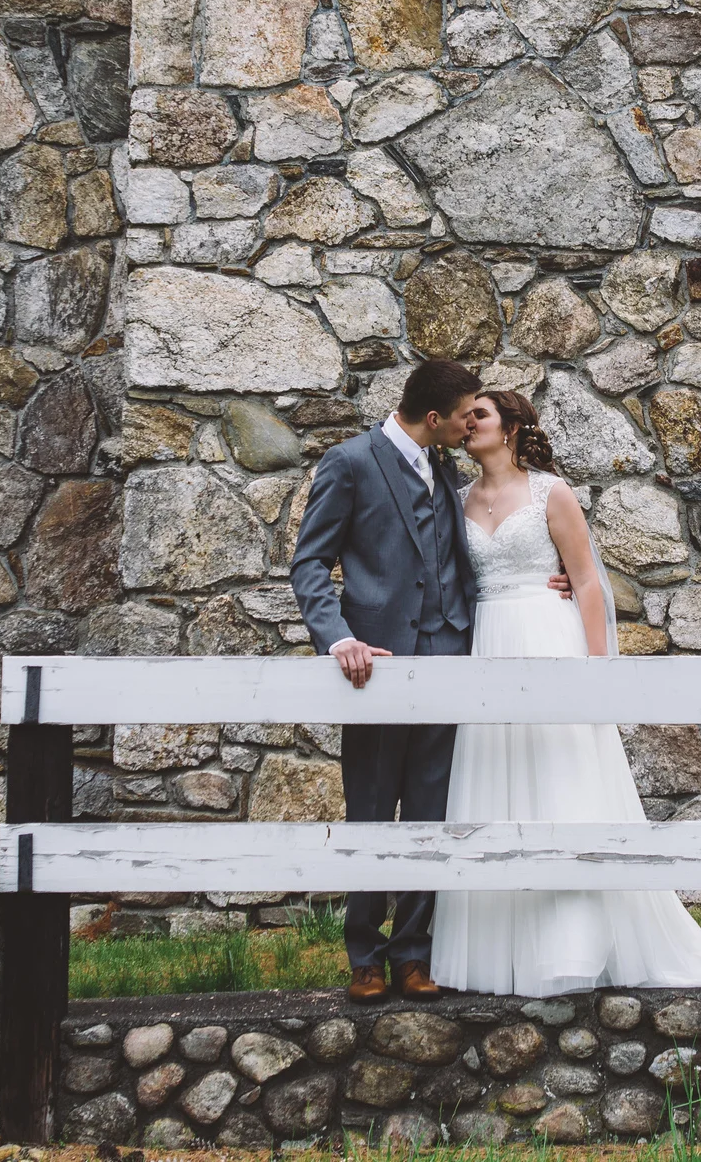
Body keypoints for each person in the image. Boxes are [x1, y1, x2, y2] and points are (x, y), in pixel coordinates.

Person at [430, 388, 701, 998]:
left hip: (549, 641)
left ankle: (572, 948)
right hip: (489, 643)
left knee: (566, 786)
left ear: (509, 427)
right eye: (465, 414)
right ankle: (498, 950)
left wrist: (598, 673)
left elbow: (586, 582)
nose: (467, 422)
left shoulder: (549, 493)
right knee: (497, 786)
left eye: (480, 414)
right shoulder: (456, 502)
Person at [288, 358, 486, 1003]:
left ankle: (413, 955)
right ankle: (364, 955)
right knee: (371, 808)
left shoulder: (446, 465)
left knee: (431, 810)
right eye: (464, 417)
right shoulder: (350, 462)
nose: (470, 427)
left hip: (446, 654)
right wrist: (337, 636)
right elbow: (311, 563)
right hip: (375, 663)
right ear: (434, 418)